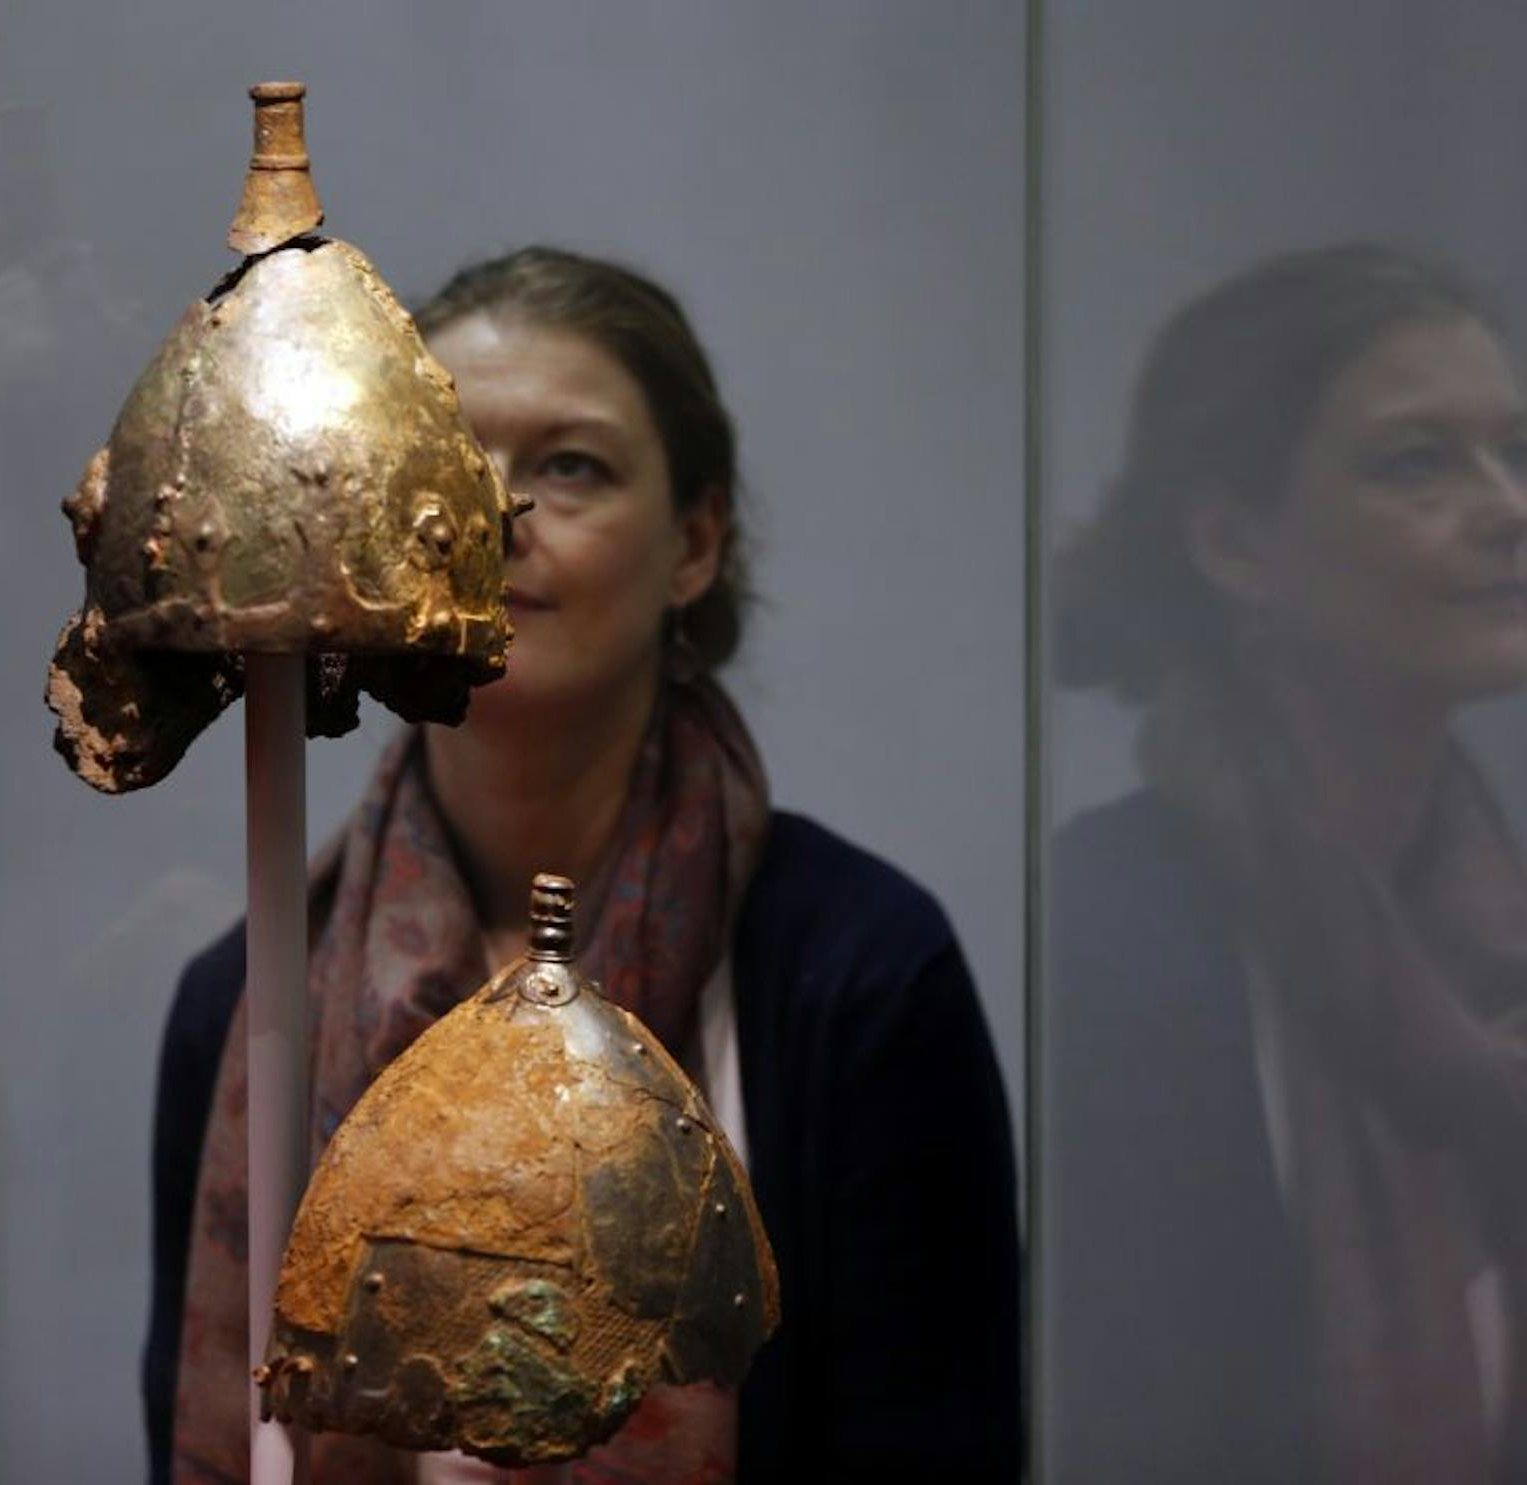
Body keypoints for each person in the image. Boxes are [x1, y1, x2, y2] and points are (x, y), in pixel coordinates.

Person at [146, 246, 1021, 1482]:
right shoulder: (240, 1001)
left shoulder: (860, 972)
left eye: (573, 466)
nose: (496, 512)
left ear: (696, 543)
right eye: (439, 459)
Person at [1048, 243, 1527, 1481]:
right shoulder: (1101, 932)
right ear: (1235, 544)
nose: (1508, 509)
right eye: (1420, 463)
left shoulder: (1499, 931)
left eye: (1515, 454)